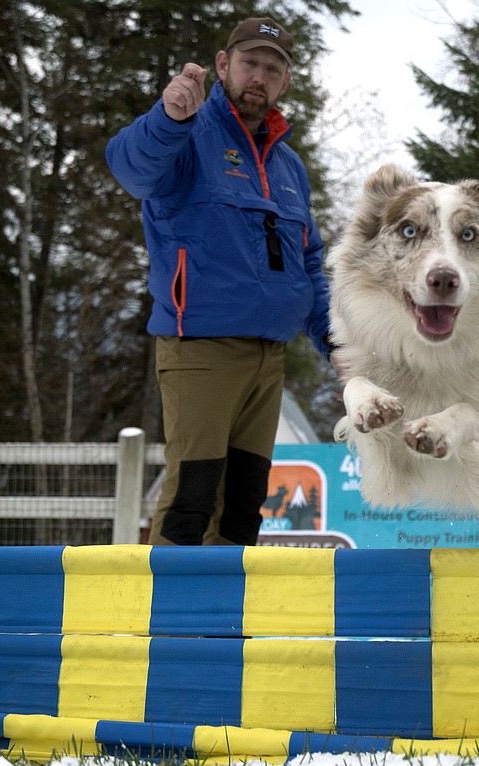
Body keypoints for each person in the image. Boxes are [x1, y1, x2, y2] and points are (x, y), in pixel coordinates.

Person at [105, 16, 331, 546]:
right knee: (191, 500)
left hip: (268, 358)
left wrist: (333, 340)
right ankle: (171, 626)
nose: (261, 76)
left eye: (273, 69)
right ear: (224, 65)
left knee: (243, 509)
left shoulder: (288, 166)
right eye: (250, 62)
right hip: (201, 349)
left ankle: (222, 626)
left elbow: (310, 262)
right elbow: (130, 169)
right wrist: (167, 118)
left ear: (285, 82)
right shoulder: (186, 133)